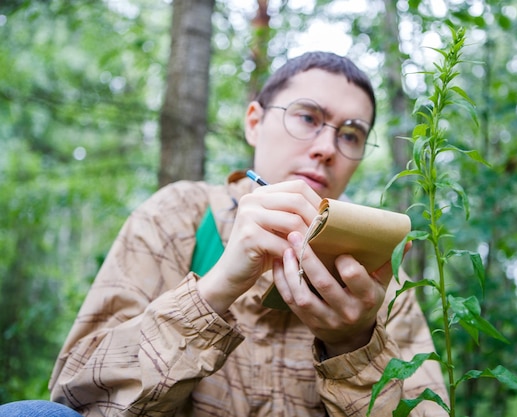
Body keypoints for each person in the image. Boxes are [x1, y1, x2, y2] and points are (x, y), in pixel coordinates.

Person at [7, 51, 448, 416]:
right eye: (308, 117)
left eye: (352, 135)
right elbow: (75, 398)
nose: (326, 148)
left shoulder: (375, 275)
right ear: (254, 121)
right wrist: (215, 290)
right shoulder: (177, 216)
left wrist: (353, 344)